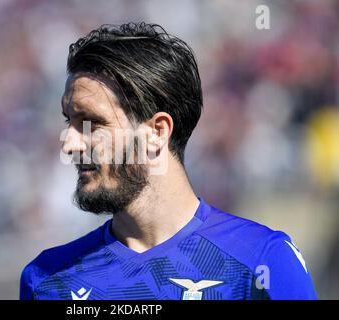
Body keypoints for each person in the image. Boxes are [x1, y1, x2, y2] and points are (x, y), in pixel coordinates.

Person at [20, 22, 317, 300]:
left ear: (156, 132)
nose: (70, 144)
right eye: (69, 122)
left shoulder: (259, 261)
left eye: (91, 123)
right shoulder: (47, 279)